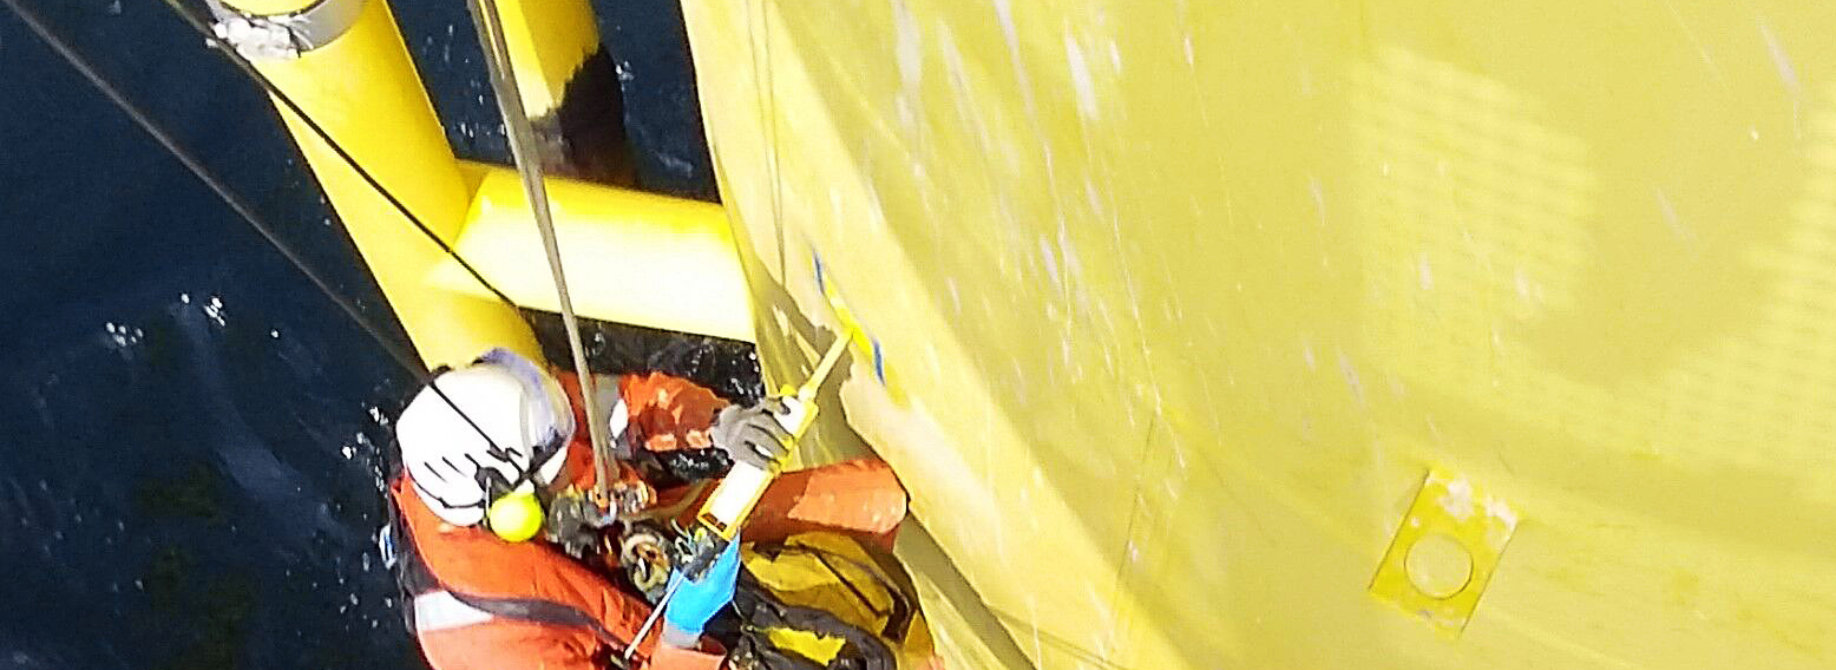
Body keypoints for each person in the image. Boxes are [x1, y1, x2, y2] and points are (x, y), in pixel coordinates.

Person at [385, 348, 908, 670]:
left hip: (664, 541)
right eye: (559, 468)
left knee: (878, 499)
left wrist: (723, 424)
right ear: (512, 512)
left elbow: (625, 407)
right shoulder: (491, 649)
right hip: (659, 649)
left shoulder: (516, 413)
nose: (577, 462)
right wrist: (683, 631)